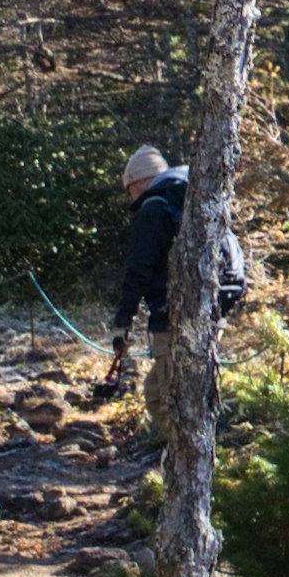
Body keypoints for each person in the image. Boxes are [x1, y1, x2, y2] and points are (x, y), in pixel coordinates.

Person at [102, 142, 186, 391]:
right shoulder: (182, 203)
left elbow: (139, 269)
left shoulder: (152, 209)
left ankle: (172, 432)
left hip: (171, 317)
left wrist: (123, 321)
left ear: (138, 182)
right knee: (155, 394)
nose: (131, 196)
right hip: (205, 310)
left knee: (169, 402)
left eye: (129, 189)